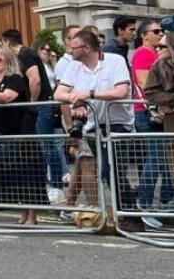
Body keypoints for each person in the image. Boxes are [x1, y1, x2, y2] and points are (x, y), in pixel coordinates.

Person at [54, 29, 140, 232]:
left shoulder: (115, 61)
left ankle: (132, 216)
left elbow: (121, 91)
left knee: (117, 170)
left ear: (86, 48)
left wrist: (90, 93)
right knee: (106, 172)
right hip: (93, 126)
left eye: (73, 47)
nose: (70, 51)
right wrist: (78, 99)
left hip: (118, 126)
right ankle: (124, 215)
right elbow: (59, 93)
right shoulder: (74, 67)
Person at [0, 46, 45, 225]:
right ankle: (23, 213)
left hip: (19, 131)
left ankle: (33, 215)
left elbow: (7, 97)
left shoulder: (15, 79)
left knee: (28, 172)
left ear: (8, 61)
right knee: (14, 174)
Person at [2, 29, 63, 204]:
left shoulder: (25, 54)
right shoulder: (23, 54)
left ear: (7, 41)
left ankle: (57, 186)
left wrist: (31, 103)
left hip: (41, 105)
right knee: (40, 147)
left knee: (46, 146)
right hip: (38, 106)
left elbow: (34, 80)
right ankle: (45, 186)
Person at [132, 19, 172, 228]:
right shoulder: (143, 53)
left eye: (162, 31)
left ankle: (167, 199)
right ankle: (144, 205)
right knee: (155, 159)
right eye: (155, 31)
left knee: (163, 160)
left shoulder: (156, 53)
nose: (160, 34)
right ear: (143, 35)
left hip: (157, 114)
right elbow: (143, 83)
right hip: (146, 114)